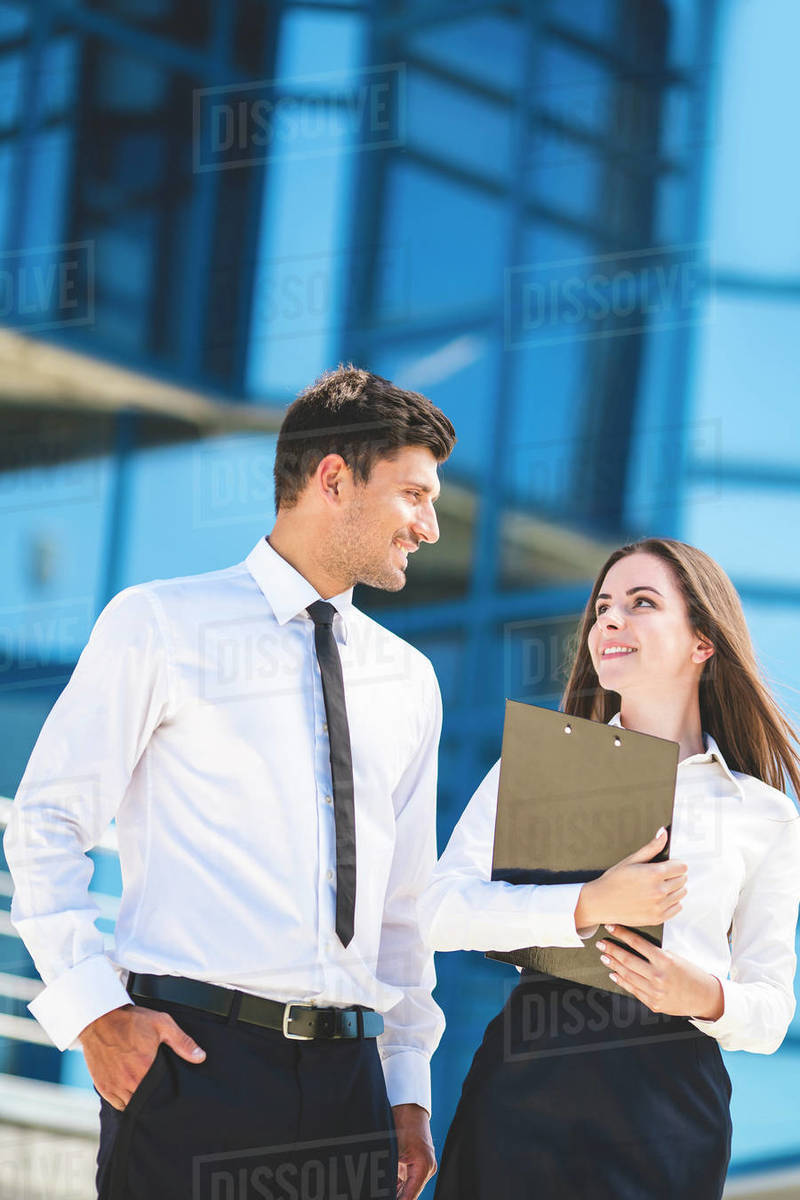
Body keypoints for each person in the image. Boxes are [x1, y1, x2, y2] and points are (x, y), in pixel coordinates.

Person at [4, 365, 456, 1200]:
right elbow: (46, 824)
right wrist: (93, 1013)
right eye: (411, 495)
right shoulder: (163, 623)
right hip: (195, 1066)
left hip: (352, 1092)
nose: (428, 525)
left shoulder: (410, 680)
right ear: (333, 479)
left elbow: (402, 908)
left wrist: (405, 1087)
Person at [418, 537, 800, 1200]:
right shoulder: (533, 767)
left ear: (702, 643)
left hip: (670, 1102)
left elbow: (771, 1008)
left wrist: (705, 995)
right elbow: (439, 910)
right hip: (526, 1080)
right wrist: (587, 904)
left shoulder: (762, 814)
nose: (610, 621)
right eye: (602, 608)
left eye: (641, 603)